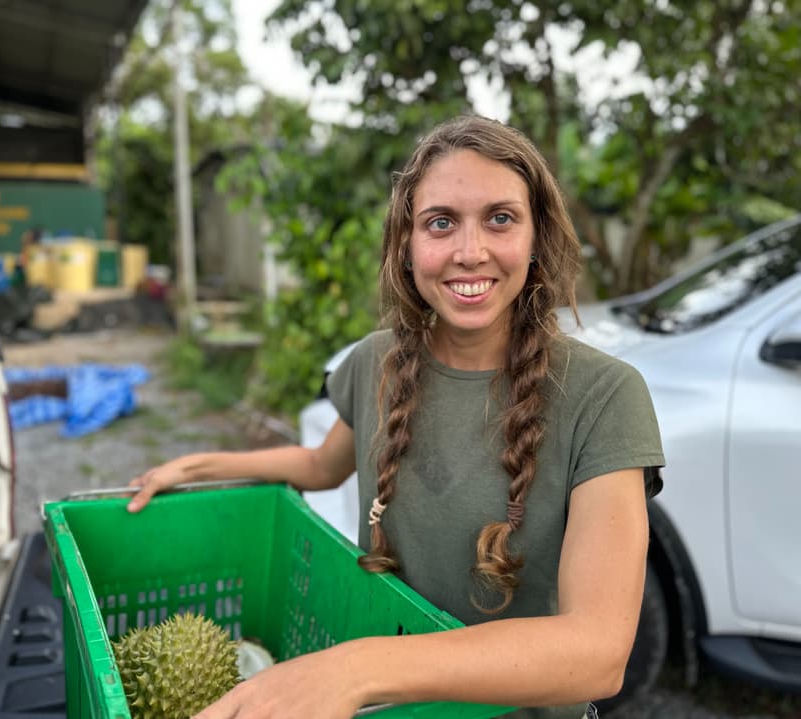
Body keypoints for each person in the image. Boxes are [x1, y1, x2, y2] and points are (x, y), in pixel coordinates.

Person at [127, 114, 664, 719]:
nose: (470, 251)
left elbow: (597, 652)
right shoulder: (374, 361)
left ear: (537, 238)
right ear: (406, 247)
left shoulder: (605, 396)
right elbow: (319, 464)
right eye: (440, 223)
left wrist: (356, 667)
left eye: (500, 218)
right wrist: (196, 467)